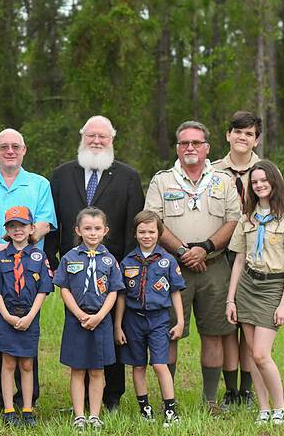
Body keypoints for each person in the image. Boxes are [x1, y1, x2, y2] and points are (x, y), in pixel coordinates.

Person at [45, 115, 144, 410]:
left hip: (111, 271)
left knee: (111, 332)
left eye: (103, 136)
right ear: (82, 137)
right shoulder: (61, 175)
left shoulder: (128, 176)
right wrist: (51, 259)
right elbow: (53, 224)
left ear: (112, 139)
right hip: (73, 272)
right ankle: (82, 398)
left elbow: (133, 225)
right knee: (78, 329)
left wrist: (127, 267)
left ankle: (111, 396)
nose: (97, 141)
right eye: (91, 136)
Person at [145, 120, 241, 413]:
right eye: (184, 143)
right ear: (177, 147)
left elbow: (233, 220)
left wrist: (206, 249)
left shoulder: (223, 180)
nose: (190, 148)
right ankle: (168, 402)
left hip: (213, 264)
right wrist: (186, 251)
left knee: (214, 333)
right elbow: (153, 222)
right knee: (171, 332)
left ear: (207, 148)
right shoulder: (162, 180)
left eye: (196, 143)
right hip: (172, 267)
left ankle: (210, 401)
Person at [0, 128, 56, 412]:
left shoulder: (39, 184)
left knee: (26, 329)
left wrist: (22, 245)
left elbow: (45, 223)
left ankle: (27, 398)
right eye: (3, 146)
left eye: (15, 146)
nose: (10, 151)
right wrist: (0, 247)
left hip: (28, 271)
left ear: (24, 150)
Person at [225, 160, 284, 425]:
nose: (259, 185)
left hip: (272, 287)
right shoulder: (247, 219)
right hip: (248, 285)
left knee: (260, 353)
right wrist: (230, 299)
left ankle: (280, 407)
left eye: (263, 181)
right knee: (251, 354)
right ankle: (263, 408)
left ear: (274, 183)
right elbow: (238, 259)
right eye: (254, 182)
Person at [53, 207, 124, 430]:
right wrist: (80, 314)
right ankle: (79, 415)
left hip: (101, 322)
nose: (92, 233)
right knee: (78, 369)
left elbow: (114, 291)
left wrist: (101, 315)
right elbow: (63, 288)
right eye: (87, 228)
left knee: (97, 370)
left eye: (97, 228)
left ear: (105, 230)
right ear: (78, 230)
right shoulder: (69, 258)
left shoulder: (110, 261)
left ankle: (94, 415)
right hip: (77, 321)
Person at [114, 210, 186, 427]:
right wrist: (118, 325)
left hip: (159, 319)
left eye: (151, 231)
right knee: (138, 365)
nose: (147, 236)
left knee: (159, 364)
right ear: (135, 234)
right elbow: (122, 296)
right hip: (133, 319)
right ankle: (145, 409)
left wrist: (180, 321)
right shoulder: (127, 262)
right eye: (142, 232)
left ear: (159, 233)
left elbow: (175, 291)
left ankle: (170, 411)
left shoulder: (168, 261)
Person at [212, 111, 262, 410]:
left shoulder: (266, 170)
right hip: (223, 252)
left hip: (255, 254)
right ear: (228, 135)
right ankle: (230, 391)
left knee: (250, 323)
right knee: (227, 324)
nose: (242, 138)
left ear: (256, 139)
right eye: (237, 132)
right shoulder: (214, 171)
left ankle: (247, 389)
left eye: (249, 134)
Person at [0, 206, 53, 427]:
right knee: (8, 363)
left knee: (27, 364)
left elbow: (43, 290)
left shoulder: (39, 256)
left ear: (31, 228)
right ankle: (8, 409)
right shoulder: (0, 258)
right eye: (12, 226)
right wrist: (6, 316)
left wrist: (30, 316)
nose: (17, 230)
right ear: (6, 229)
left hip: (29, 317)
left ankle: (27, 409)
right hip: (6, 317)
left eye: (22, 225)